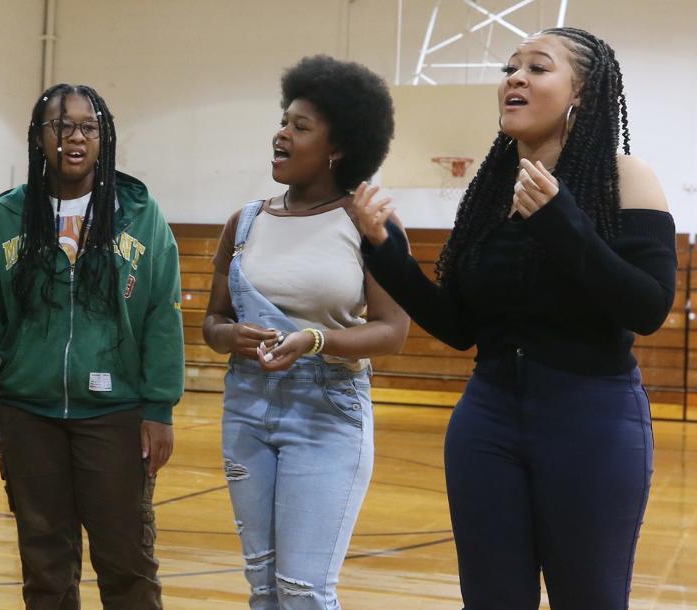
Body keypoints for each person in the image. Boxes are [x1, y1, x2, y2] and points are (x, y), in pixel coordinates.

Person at [352, 27, 675, 609]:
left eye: (538, 68)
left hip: (591, 420)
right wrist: (389, 254)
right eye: (510, 68)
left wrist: (561, 220)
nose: (515, 78)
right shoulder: (491, 189)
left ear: (582, 92)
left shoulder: (627, 178)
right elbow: (459, 327)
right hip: (487, 421)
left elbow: (648, 307)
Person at [0, 83, 184, 610]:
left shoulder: (139, 215)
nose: (74, 137)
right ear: (38, 137)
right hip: (28, 413)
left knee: (127, 562)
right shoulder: (9, 216)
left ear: (104, 139)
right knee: (45, 566)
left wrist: (159, 407)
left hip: (116, 414)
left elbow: (161, 316)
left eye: (88, 127)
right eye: (61, 125)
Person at [202, 55, 409, 609]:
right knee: (263, 588)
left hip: (327, 415)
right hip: (246, 409)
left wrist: (317, 341)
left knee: (303, 592)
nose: (282, 133)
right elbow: (212, 322)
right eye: (283, 120)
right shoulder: (244, 221)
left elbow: (393, 331)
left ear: (338, 146)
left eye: (300, 126)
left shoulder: (367, 223)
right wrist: (229, 337)